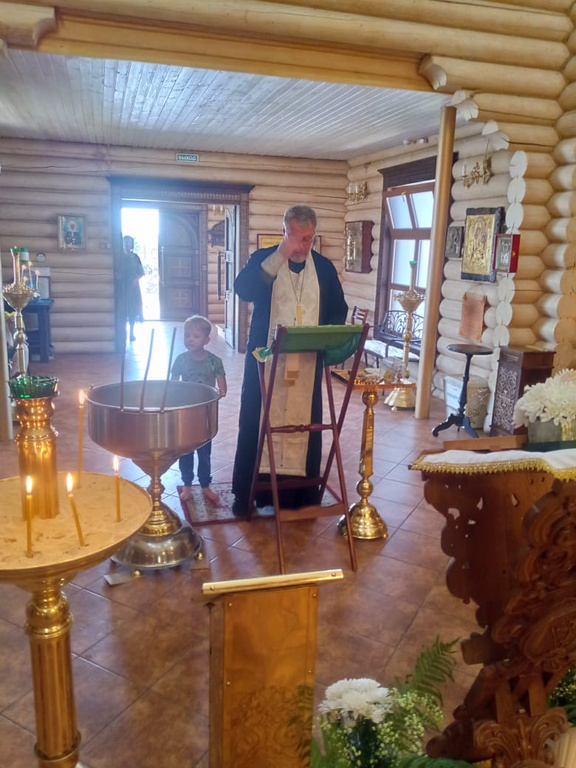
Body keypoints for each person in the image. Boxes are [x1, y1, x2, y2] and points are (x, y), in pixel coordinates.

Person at [231, 204, 348, 516]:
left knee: (303, 426)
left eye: (308, 239)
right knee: (256, 423)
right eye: (295, 238)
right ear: (284, 232)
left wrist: (327, 344)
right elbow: (244, 289)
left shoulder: (323, 268)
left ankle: (300, 496)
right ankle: (249, 495)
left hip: (305, 364)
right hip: (265, 362)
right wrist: (280, 254)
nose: (302, 245)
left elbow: (338, 310)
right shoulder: (265, 259)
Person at [171, 314, 227, 505]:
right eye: (187, 335)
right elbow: (172, 384)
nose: (190, 339)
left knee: (204, 453)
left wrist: (216, 394)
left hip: (205, 416)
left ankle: (205, 485)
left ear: (207, 340)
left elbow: (222, 388)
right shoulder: (180, 360)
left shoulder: (214, 361)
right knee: (185, 451)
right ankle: (187, 484)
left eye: (196, 336)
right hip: (185, 415)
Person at [122, 235, 145, 342]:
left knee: (132, 310)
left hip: (133, 287)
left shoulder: (135, 257)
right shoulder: (119, 257)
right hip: (121, 287)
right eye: (126, 242)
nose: (128, 244)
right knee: (122, 310)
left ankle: (131, 333)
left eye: (130, 242)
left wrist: (135, 280)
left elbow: (141, 272)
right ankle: (122, 334)